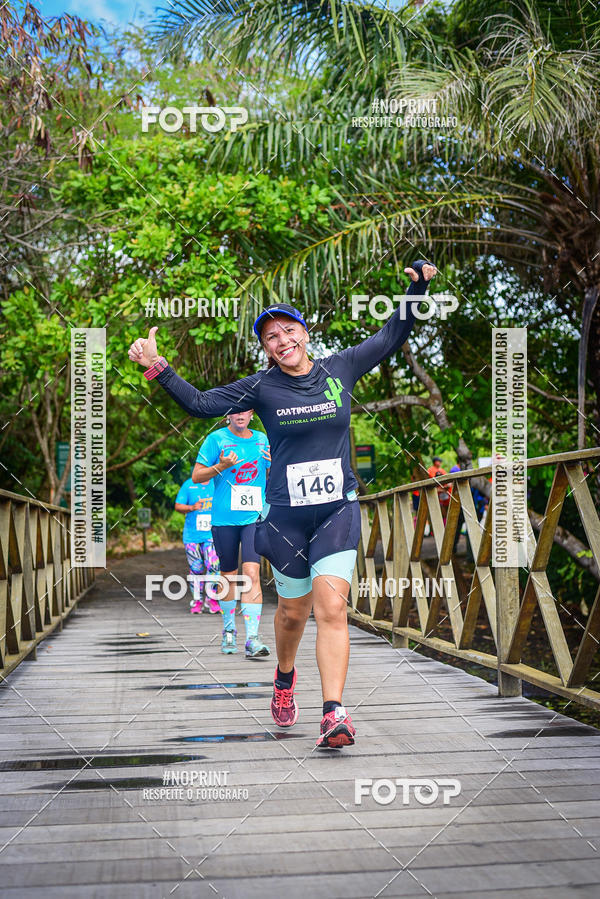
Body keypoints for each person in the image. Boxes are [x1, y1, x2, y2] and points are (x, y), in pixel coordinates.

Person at [128, 258, 437, 749]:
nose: (282, 340)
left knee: (332, 607)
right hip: (285, 518)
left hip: (337, 509)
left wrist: (415, 288)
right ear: (266, 348)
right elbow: (201, 404)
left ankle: (334, 713)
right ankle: (284, 677)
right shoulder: (261, 387)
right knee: (293, 613)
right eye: (271, 337)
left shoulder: (341, 369)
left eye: (288, 330)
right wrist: (157, 367)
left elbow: (391, 334)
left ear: (304, 333)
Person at [192, 411, 271, 659]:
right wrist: (221, 466)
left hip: (253, 517)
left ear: (252, 413)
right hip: (224, 519)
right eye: (235, 410)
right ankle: (228, 629)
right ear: (228, 415)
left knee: (251, 573)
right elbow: (197, 475)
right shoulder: (216, 439)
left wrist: (277, 463)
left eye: (245, 410)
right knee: (228, 575)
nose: (240, 415)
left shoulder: (262, 440)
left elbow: (275, 475)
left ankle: (252, 638)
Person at [174, 474, 220, 614]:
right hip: (192, 535)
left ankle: (211, 599)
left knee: (213, 565)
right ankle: (197, 600)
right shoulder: (189, 485)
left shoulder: (217, 483)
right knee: (197, 568)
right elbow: (177, 506)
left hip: (212, 534)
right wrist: (191, 507)